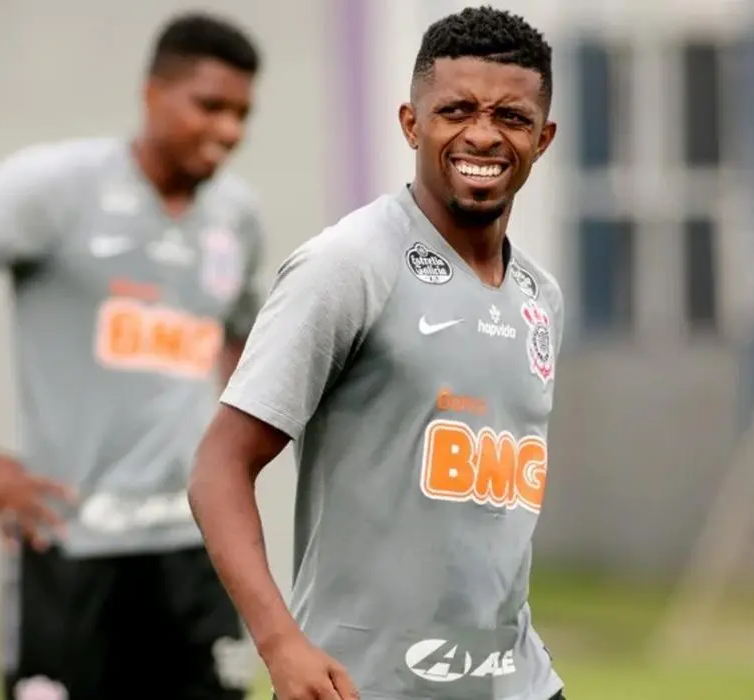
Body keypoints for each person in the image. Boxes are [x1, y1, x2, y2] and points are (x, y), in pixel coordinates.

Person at [0, 12, 266, 700]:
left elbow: (244, 339)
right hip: (70, 543)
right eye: (209, 106)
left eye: (241, 114)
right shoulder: (52, 187)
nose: (228, 130)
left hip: (192, 542)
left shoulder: (236, 215)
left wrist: (241, 454)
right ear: (152, 94)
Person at [187, 6, 566, 700]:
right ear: (411, 123)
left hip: (515, 683)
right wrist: (280, 645)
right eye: (456, 110)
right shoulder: (349, 265)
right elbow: (219, 468)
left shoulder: (541, 297)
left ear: (542, 138)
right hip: (364, 686)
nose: (483, 134)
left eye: (511, 117)